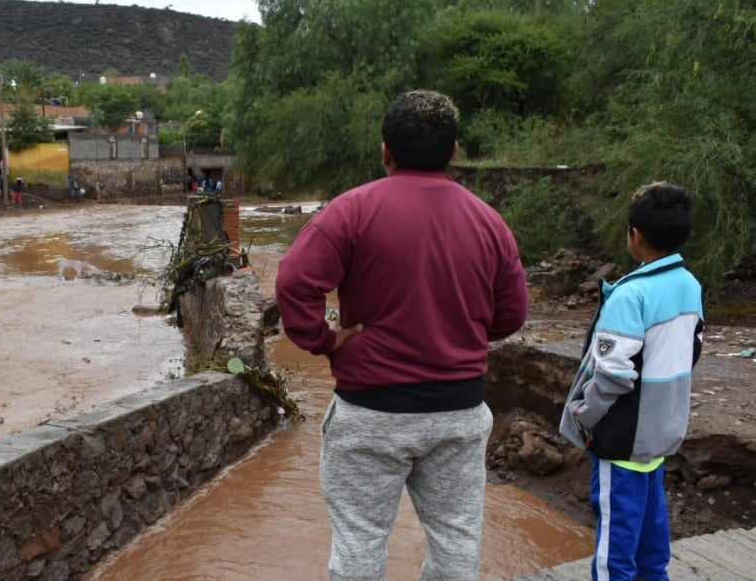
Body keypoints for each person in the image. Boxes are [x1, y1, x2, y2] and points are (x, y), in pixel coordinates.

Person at [275, 89, 528, 581]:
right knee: (456, 540)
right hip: (459, 412)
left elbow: (294, 281)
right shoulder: (489, 222)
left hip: (370, 412)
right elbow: (511, 316)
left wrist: (324, 338)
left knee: (360, 542)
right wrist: (466, 329)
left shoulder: (350, 211)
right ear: (454, 151)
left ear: (385, 150)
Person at [559, 182, 704, 581]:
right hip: (661, 432)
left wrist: (584, 415)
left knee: (615, 551)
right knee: (652, 545)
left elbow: (612, 373)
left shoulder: (630, 295)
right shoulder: (689, 285)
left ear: (636, 235)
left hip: (623, 440)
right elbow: (692, 349)